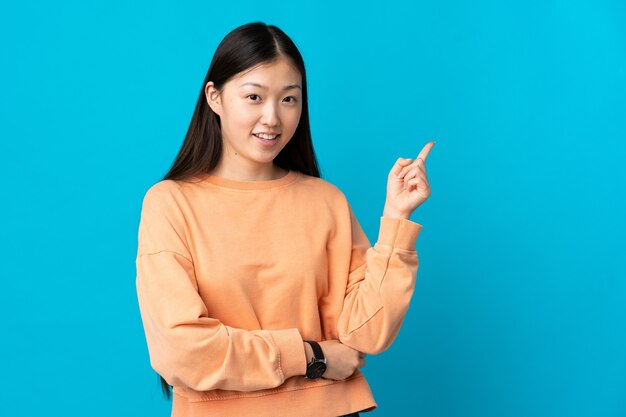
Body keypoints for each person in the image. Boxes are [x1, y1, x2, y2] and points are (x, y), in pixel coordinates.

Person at [135, 21, 435, 417]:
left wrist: (397, 219)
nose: (273, 118)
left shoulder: (326, 201)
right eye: (254, 97)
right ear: (215, 97)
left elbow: (367, 334)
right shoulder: (171, 203)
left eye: (289, 99)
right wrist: (312, 357)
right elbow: (183, 351)